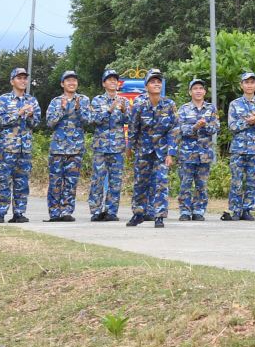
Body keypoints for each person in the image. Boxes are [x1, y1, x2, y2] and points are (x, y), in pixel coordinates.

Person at [126, 68, 177, 228]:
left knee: (161, 182)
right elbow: (134, 128)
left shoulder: (169, 104)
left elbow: (174, 130)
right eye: (153, 82)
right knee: (141, 182)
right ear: (146, 85)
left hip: (161, 151)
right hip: (143, 150)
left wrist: (171, 152)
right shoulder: (140, 104)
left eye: (158, 82)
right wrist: (129, 147)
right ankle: (138, 214)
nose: (156, 84)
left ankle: (159, 216)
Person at [0, 66, 40, 223]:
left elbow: (36, 123)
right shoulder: (4, 99)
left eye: (25, 78)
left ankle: (19, 213)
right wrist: (18, 113)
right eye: (19, 78)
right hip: (8, 148)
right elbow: (0, 120)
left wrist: (31, 115)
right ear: (12, 81)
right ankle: (0, 213)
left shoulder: (32, 100)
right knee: (4, 181)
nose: (23, 81)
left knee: (22, 183)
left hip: (24, 148)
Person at [84, 68, 130, 221]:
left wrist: (124, 111)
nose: (113, 82)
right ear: (104, 83)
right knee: (97, 179)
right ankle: (96, 211)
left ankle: (111, 211)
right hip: (101, 146)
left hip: (117, 146)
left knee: (115, 180)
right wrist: (109, 110)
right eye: (109, 79)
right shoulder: (97, 100)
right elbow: (92, 120)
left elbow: (129, 120)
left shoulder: (123, 100)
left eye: (115, 80)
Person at [221, 71, 255, 222]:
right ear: (241, 85)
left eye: (252, 82)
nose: (249, 85)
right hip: (238, 148)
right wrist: (248, 122)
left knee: (252, 181)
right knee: (236, 180)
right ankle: (235, 209)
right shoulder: (234, 104)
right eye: (246, 82)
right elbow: (232, 127)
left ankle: (247, 210)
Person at [44, 70, 87, 222]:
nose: (72, 83)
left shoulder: (83, 100)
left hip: (76, 149)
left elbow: (89, 121)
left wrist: (77, 109)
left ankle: (67, 211)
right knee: (55, 181)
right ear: (62, 84)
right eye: (68, 80)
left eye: (74, 80)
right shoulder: (55, 101)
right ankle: (54, 213)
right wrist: (62, 109)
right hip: (58, 148)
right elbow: (49, 123)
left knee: (71, 182)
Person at [174, 78, 218, 221]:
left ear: (205, 91)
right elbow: (179, 130)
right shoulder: (184, 109)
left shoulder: (211, 108)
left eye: (200, 88)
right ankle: (185, 211)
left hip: (205, 153)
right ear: (190, 92)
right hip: (188, 153)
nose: (198, 91)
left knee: (201, 184)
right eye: (195, 88)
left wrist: (205, 126)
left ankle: (199, 210)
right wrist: (194, 127)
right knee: (185, 183)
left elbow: (216, 127)